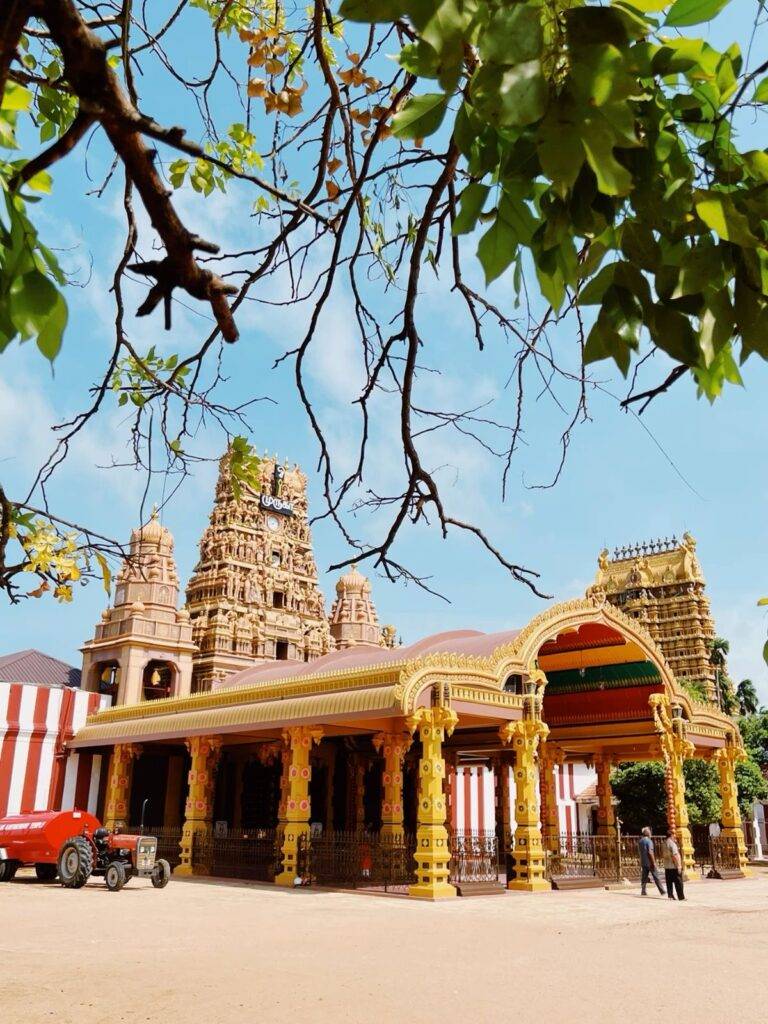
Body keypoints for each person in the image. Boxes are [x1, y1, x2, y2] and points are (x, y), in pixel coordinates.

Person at [639, 826, 665, 896]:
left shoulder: (640, 841)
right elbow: (650, 852)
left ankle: (643, 891)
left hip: (643, 862)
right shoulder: (649, 841)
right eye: (650, 832)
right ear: (647, 833)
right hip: (650, 862)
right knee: (656, 876)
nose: (651, 833)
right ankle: (662, 891)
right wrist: (653, 862)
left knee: (644, 877)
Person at [663, 828, 685, 901]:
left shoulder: (664, 843)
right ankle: (681, 897)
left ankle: (670, 895)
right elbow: (675, 855)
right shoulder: (672, 844)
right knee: (678, 882)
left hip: (667, 866)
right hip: (674, 866)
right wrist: (679, 865)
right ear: (671, 835)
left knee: (669, 882)